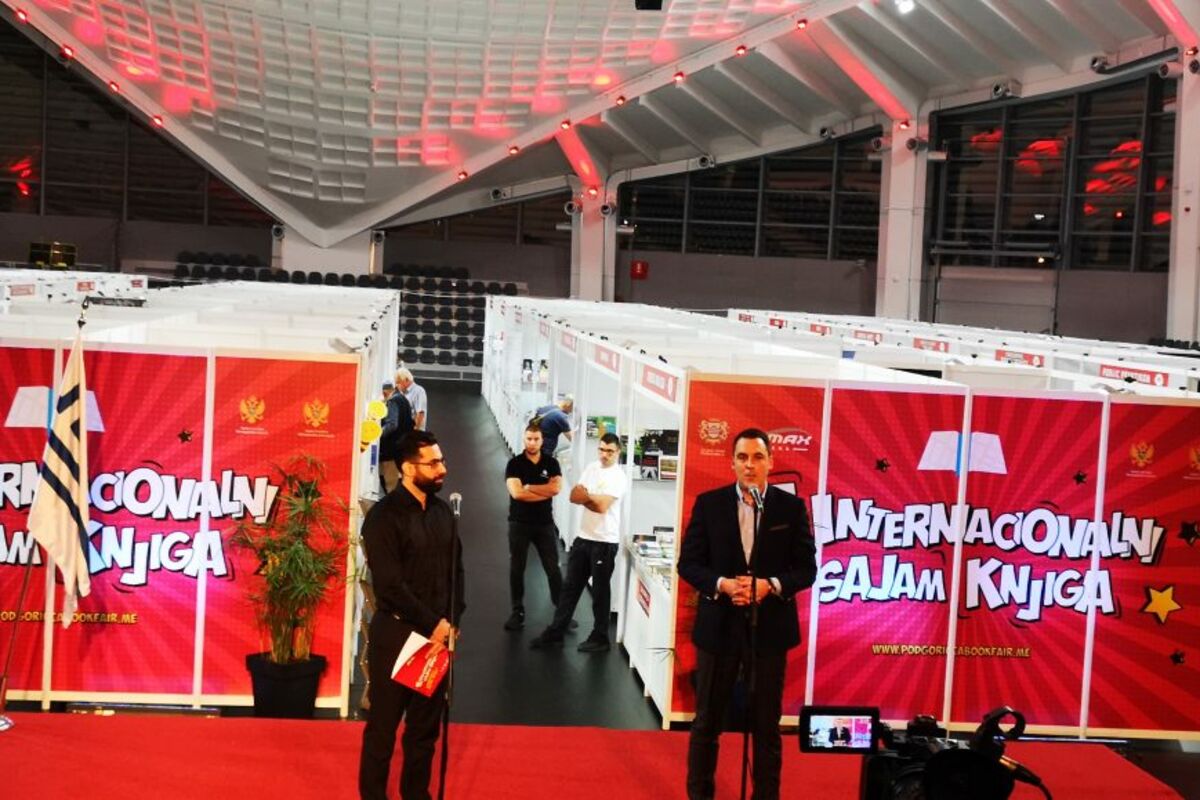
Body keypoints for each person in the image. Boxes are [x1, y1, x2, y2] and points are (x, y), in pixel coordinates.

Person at [677, 427, 817, 800]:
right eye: (742, 457)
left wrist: (770, 585)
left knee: (766, 726)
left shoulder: (790, 508)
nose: (750, 465)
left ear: (770, 461)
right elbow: (688, 564)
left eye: (757, 457)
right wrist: (722, 584)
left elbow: (807, 569)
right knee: (707, 722)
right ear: (732, 463)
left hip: (769, 631)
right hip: (718, 628)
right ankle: (700, 794)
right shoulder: (709, 504)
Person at [359, 430, 464, 800]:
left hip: (437, 640)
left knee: (424, 731)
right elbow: (389, 586)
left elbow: (456, 572)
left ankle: (416, 794)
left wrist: (453, 621)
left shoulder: (442, 513)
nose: (441, 469)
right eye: (432, 463)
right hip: (397, 636)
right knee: (383, 729)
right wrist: (434, 624)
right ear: (407, 468)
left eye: (441, 461)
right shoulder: (383, 518)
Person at [530, 432, 627, 652]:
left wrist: (587, 497)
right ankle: (556, 632)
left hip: (604, 541)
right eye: (601, 449)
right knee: (570, 588)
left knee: (600, 592)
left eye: (609, 451)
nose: (604, 454)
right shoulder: (591, 468)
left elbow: (602, 507)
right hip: (584, 538)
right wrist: (590, 498)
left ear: (618, 452)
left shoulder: (618, 477)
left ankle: (600, 637)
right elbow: (574, 496)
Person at [503, 422, 564, 631]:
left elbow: (556, 489)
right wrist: (543, 491)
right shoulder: (514, 464)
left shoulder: (552, 463)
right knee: (517, 568)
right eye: (529, 438)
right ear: (524, 439)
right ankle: (517, 611)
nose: (532, 442)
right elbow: (516, 493)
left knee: (553, 568)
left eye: (536, 439)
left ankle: (561, 612)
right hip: (519, 523)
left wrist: (529, 487)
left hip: (544, 524)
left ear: (542, 440)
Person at [378, 381, 415, 494]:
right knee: (396, 483)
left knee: (390, 485)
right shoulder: (404, 400)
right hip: (401, 449)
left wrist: (377, 434)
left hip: (391, 450)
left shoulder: (393, 401)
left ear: (385, 392)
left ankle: (393, 504)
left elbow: (392, 424)